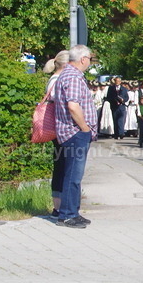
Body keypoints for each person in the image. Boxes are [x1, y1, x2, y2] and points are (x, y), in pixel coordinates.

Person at [52, 45, 97, 228]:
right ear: (83, 59)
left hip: (71, 132)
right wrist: (85, 128)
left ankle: (72, 212)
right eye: (89, 59)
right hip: (75, 132)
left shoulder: (68, 74)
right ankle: (67, 215)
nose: (90, 62)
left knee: (72, 175)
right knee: (73, 176)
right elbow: (73, 106)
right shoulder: (73, 77)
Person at [43, 51, 70, 218]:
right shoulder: (56, 80)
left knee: (62, 165)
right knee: (62, 166)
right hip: (59, 128)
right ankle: (58, 206)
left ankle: (60, 205)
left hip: (58, 128)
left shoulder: (55, 79)